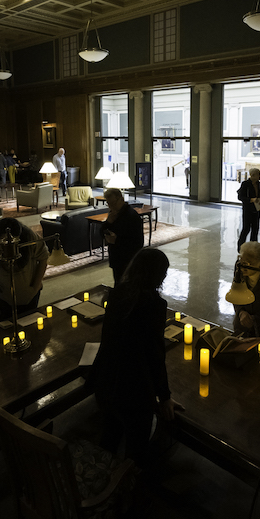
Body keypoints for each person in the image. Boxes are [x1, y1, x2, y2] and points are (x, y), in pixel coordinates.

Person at [88, 249, 181, 463]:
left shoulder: (118, 293)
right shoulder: (155, 304)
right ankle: (127, 489)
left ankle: (102, 474)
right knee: (136, 451)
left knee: (109, 438)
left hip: (106, 381)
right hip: (133, 390)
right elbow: (155, 355)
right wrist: (164, 397)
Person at [0, 218, 48, 324]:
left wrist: (35, 288)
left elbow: (43, 258)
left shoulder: (29, 235)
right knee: (3, 333)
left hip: (31, 295)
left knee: (32, 329)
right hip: (3, 300)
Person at [101, 187, 144, 284]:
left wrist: (116, 240)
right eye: (109, 204)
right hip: (116, 258)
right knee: (118, 284)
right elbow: (101, 232)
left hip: (128, 259)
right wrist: (108, 222)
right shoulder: (113, 215)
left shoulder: (132, 216)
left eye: (113, 203)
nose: (111, 207)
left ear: (121, 199)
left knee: (127, 287)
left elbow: (137, 242)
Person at [236, 167, 260, 247]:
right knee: (246, 229)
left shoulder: (259, 184)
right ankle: (241, 247)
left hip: (256, 209)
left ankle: (253, 247)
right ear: (253, 175)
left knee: (255, 229)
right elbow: (240, 197)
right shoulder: (245, 184)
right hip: (248, 210)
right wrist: (251, 200)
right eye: (259, 175)